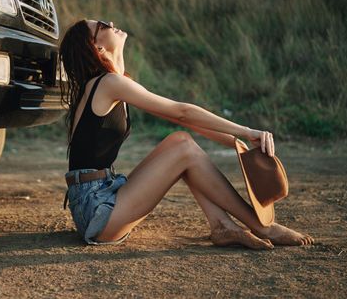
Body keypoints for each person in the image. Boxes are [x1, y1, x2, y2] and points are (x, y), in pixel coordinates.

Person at [59, 19, 314, 249]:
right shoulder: (109, 84)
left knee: (182, 145)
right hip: (97, 209)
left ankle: (221, 226)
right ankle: (262, 226)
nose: (110, 22)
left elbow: (176, 117)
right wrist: (246, 131)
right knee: (181, 146)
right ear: (98, 48)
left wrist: (234, 140)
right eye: (102, 26)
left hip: (102, 196)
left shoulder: (113, 82)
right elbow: (182, 112)